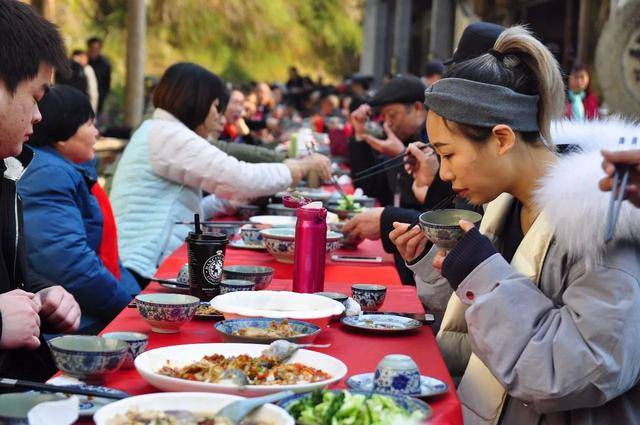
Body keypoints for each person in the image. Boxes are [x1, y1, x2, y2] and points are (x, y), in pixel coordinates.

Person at [390, 25, 640, 424]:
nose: (445, 172)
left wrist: (481, 274)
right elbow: (488, 330)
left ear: (502, 139)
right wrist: (435, 263)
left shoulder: (602, 220)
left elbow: (574, 371)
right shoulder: (502, 202)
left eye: (449, 154)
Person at [110, 62, 331, 282]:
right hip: (139, 268)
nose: (219, 117)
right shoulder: (168, 135)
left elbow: (179, 210)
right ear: (196, 102)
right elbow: (239, 178)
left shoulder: (160, 131)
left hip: (138, 261)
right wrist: (298, 168)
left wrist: (226, 203)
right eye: (216, 107)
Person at [0, 0, 81, 380]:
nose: (38, 116)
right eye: (36, 96)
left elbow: (11, 283)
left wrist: (43, 296)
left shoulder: (7, 171)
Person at [18, 85, 140, 334]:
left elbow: (106, 259)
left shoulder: (65, 170)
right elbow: (70, 265)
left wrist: (136, 299)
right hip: (75, 320)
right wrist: (129, 310)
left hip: (88, 304)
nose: (97, 132)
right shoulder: (49, 174)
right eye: (89, 124)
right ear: (63, 135)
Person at [87, 37, 111, 114]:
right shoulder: (84, 62)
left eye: (97, 48)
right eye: (93, 48)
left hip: (99, 97)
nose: (95, 51)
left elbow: (107, 83)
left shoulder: (105, 64)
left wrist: (103, 96)